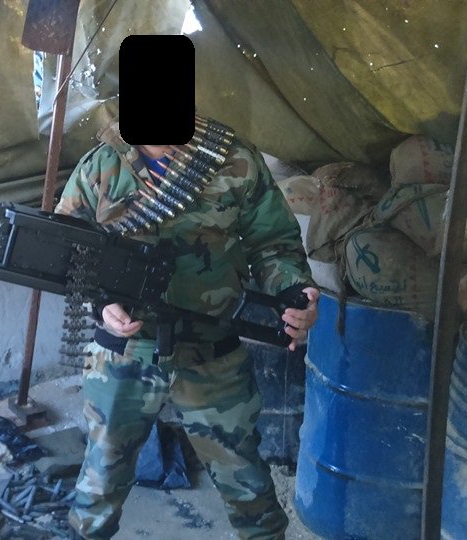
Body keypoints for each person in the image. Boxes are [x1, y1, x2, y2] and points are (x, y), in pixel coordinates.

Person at [54, 118, 320, 539]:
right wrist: (102, 304)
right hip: (126, 353)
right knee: (99, 488)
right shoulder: (99, 165)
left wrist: (293, 291)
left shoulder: (234, 159)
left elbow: (274, 243)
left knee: (248, 488)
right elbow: (69, 251)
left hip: (212, 348)